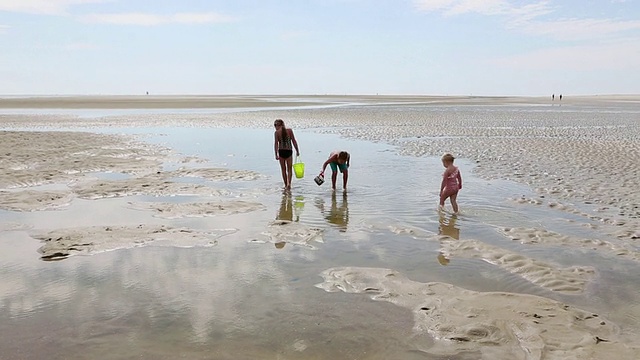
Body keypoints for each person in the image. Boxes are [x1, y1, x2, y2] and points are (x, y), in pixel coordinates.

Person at [273, 119, 300, 190]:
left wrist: (276, 154)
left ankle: (285, 185)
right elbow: (294, 141)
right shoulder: (290, 131)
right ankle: (289, 184)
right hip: (289, 151)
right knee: (289, 169)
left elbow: (276, 144)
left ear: (279, 125)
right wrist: (297, 150)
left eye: (275, 125)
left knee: (283, 169)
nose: (275, 127)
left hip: (281, 151)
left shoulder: (276, 133)